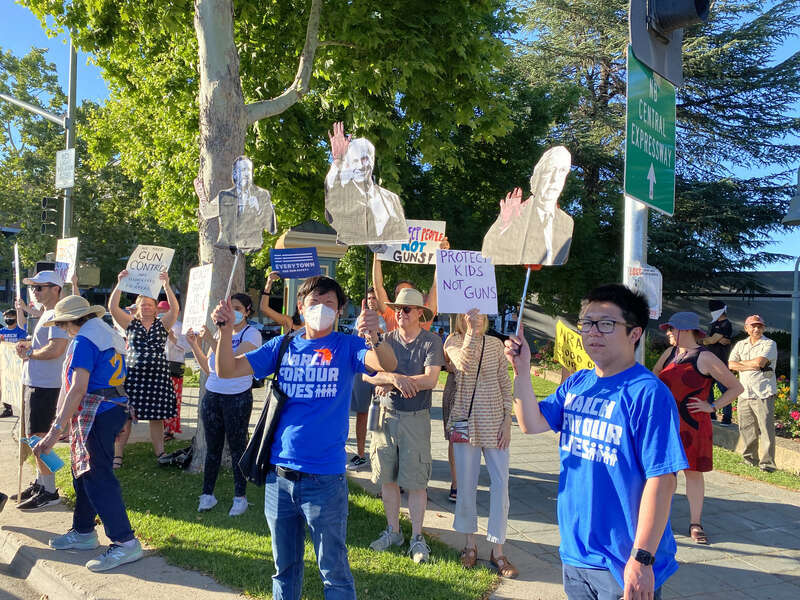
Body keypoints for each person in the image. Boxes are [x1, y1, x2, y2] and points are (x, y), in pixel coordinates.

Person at [213, 275, 397, 600]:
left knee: (334, 572)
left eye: (330, 304)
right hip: (278, 479)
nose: (322, 309)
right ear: (300, 306)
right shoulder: (283, 345)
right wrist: (225, 330)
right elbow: (227, 370)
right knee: (284, 569)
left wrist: (375, 337)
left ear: (341, 311)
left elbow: (386, 363)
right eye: (315, 302)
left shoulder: (348, 346)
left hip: (324, 480)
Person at [504, 284, 688, 600]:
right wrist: (520, 371)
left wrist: (642, 559)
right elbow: (530, 423)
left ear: (634, 334)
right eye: (587, 323)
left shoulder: (648, 393)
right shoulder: (579, 382)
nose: (593, 332)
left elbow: (663, 481)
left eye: (606, 324)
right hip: (576, 554)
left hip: (624, 561)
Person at [33, 295, 143, 572]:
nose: (61, 328)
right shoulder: (106, 334)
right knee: (83, 473)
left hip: (98, 411)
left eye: (61, 323)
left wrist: (55, 430)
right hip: (108, 409)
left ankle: (125, 541)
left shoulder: (83, 341)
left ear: (71, 322)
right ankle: (83, 532)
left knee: (96, 476)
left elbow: (77, 387)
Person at [364, 287, 444, 564]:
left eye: (406, 309)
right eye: (397, 308)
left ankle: (417, 537)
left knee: (416, 481)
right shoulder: (383, 340)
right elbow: (366, 375)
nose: (400, 313)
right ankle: (393, 531)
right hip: (384, 417)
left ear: (420, 313)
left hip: (416, 419)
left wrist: (392, 379)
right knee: (387, 477)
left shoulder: (431, 341)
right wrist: (393, 379)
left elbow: (431, 380)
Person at [652, 312, 742, 545]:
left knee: (693, 474)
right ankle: (660, 522)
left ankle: (695, 523)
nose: (669, 333)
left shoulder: (706, 357)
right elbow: (653, 380)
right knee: (664, 474)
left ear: (685, 330)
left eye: (671, 329)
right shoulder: (669, 353)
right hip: (668, 424)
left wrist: (711, 406)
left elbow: (735, 388)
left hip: (693, 425)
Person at [445, 309, 516, 577]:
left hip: (495, 421)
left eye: (480, 314)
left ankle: (498, 549)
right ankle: (470, 545)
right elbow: (464, 363)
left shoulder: (496, 344)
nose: (476, 317)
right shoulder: (452, 341)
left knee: (501, 485)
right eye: (470, 314)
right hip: (466, 421)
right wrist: (471, 334)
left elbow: (503, 380)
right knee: (466, 485)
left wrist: (507, 420)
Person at [185, 293, 261, 516]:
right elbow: (210, 369)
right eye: (230, 308)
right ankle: (207, 494)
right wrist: (195, 345)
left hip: (237, 397)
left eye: (238, 308)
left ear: (247, 311)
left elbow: (230, 361)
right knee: (213, 448)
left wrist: (210, 338)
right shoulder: (219, 333)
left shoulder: (252, 334)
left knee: (237, 447)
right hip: (213, 395)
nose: (233, 312)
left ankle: (240, 497)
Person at [108, 269, 179, 466]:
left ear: (156, 308)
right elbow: (113, 307)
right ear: (137, 308)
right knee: (126, 417)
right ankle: (117, 455)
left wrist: (166, 285)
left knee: (157, 418)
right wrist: (120, 284)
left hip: (158, 378)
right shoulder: (130, 324)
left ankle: (160, 453)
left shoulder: (163, 324)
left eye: (150, 304)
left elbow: (175, 309)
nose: (146, 307)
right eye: (143, 305)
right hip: (133, 378)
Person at [13, 271, 68, 510]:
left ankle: (49, 489)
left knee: (40, 439)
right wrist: (29, 347)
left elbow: (56, 349)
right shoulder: (46, 313)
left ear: (55, 288)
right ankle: (41, 482)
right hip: (37, 383)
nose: (35, 292)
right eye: (33, 288)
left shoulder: (57, 314)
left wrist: (30, 353)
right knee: (33, 436)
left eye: (40, 288)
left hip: (47, 386)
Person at [482, 146, 574, 265]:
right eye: (549, 170)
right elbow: (487, 255)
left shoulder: (566, 222)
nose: (554, 179)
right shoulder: (516, 214)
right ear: (538, 175)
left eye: (562, 171)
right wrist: (504, 226)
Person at [728, 315, 779, 472]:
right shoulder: (740, 344)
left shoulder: (769, 343)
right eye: (753, 326)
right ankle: (750, 459)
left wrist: (742, 364)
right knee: (746, 428)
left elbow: (760, 363)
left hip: (763, 393)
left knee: (766, 430)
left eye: (760, 326)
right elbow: (730, 364)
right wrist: (750, 365)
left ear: (763, 328)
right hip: (744, 393)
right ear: (746, 328)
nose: (756, 329)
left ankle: (768, 464)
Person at [347, 286, 386, 471]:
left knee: (384, 416)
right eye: (369, 298)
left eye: (374, 298)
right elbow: (356, 341)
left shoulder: (388, 318)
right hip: (363, 370)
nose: (372, 301)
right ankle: (361, 454)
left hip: (382, 371)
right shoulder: (359, 319)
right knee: (362, 413)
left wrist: (376, 330)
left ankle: (383, 455)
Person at [371, 253, 441, 332]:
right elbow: (377, 286)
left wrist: (441, 255)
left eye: (406, 292)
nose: (401, 295)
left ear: (419, 313)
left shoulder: (424, 315)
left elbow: (436, 286)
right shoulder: (391, 314)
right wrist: (377, 255)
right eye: (398, 293)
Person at [157, 300, 187, 440]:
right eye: (160, 311)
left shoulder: (181, 327)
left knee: (174, 398)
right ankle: (160, 428)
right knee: (159, 398)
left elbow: (187, 347)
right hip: (158, 367)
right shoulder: (155, 326)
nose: (161, 314)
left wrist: (173, 338)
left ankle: (170, 429)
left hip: (174, 365)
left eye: (165, 311)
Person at [701, 300, 734, 425]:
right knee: (708, 388)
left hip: (721, 362)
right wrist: (712, 340)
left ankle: (727, 417)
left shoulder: (726, 324)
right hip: (710, 362)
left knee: (725, 389)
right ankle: (711, 414)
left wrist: (709, 340)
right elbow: (712, 340)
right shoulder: (714, 324)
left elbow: (712, 339)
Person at [0, 302, 27, 418]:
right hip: (5, 363)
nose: (8, 319)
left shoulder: (21, 331)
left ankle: (24, 407)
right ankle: (7, 408)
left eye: (11, 317)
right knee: (5, 385)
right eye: (6, 317)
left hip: (17, 363)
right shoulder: (1, 332)